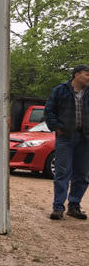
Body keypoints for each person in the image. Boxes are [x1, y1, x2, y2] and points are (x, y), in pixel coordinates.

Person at [44, 64, 89, 220]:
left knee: (82, 174)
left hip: (85, 138)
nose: (88, 77)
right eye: (87, 74)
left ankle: (74, 206)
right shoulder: (60, 90)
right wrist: (56, 127)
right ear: (76, 75)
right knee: (62, 172)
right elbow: (49, 111)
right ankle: (58, 208)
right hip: (65, 138)